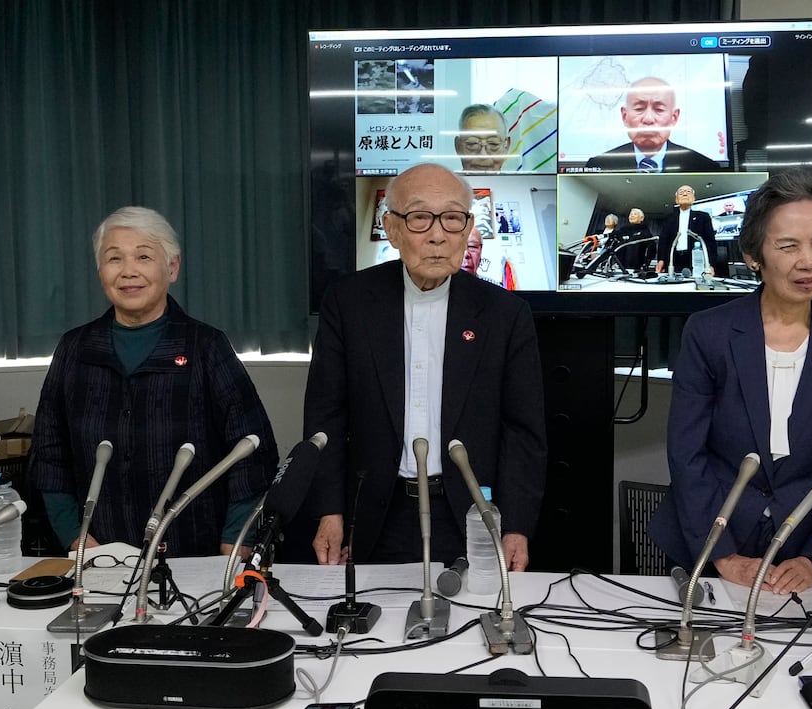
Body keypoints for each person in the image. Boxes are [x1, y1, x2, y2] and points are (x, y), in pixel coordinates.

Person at [304, 163, 547, 571]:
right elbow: (326, 415)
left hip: (473, 516)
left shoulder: (505, 314)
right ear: (392, 229)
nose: (437, 235)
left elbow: (523, 431)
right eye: (419, 218)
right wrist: (330, 512)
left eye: (452, 218)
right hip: (377, 515)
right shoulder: (350, 304)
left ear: (469, 226)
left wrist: (516, 525)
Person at [649, 171, 812, 593]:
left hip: (803, 549)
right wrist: (722, 554)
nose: (808, 261)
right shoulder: (709, 333)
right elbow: (687, 454)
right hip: (709, 543)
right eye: (788, 246)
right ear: (754, 255)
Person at [27, 207, 278, 558]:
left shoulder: (205, 347)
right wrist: (77, 539)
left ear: (172, 268)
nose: (128, 271)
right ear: (100, 271)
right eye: (114, 258)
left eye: (143, 256)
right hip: (99, 556)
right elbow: (49, 455)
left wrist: (236, 544)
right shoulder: (76, 349)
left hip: (197, 557)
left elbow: (252, 452)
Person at [580, 77, 721, 173]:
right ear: (625, 116)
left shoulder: (704, 167)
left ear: (674, 117)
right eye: (639, 109)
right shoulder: (599, 166)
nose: (648, 119)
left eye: (659, 109)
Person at [656, 184, 722, 277]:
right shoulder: (669, 218)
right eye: (681, 192)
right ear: (676, 200)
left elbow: (710, 242)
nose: (685, 194)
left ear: (694, 198)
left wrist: (710, 264)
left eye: (688, 192)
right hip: (673, 259)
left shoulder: (703, 217)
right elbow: (663, 241)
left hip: (696, 259)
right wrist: (661, 260)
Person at [453, 104, 511, 174]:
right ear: (458, 147)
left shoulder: (519, 184)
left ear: (506, 148)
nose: (483, 155)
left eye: (493, 144)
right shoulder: (444, 184)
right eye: (472, 144)